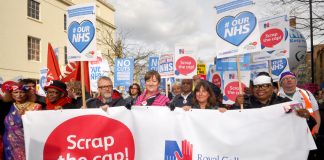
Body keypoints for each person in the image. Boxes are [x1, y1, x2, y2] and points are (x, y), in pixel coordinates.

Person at [2, 82, 41, 160]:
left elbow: (38, 125)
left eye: (22, 92)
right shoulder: (7, 107)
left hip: (27, 141)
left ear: (27, 94)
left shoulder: (35, 106)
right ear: (11, 94)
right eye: (15, 92)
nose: (19, 95)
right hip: (9, 143)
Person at [278, 71, 321, 136]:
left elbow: (316, 112)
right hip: (287, 134)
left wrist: (316, 128)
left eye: (292, 78)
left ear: (296, 81)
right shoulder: (276, 97)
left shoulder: (307, 93)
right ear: (281, 83)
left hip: (308, 131)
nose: (289, 80)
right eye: (285, 79)